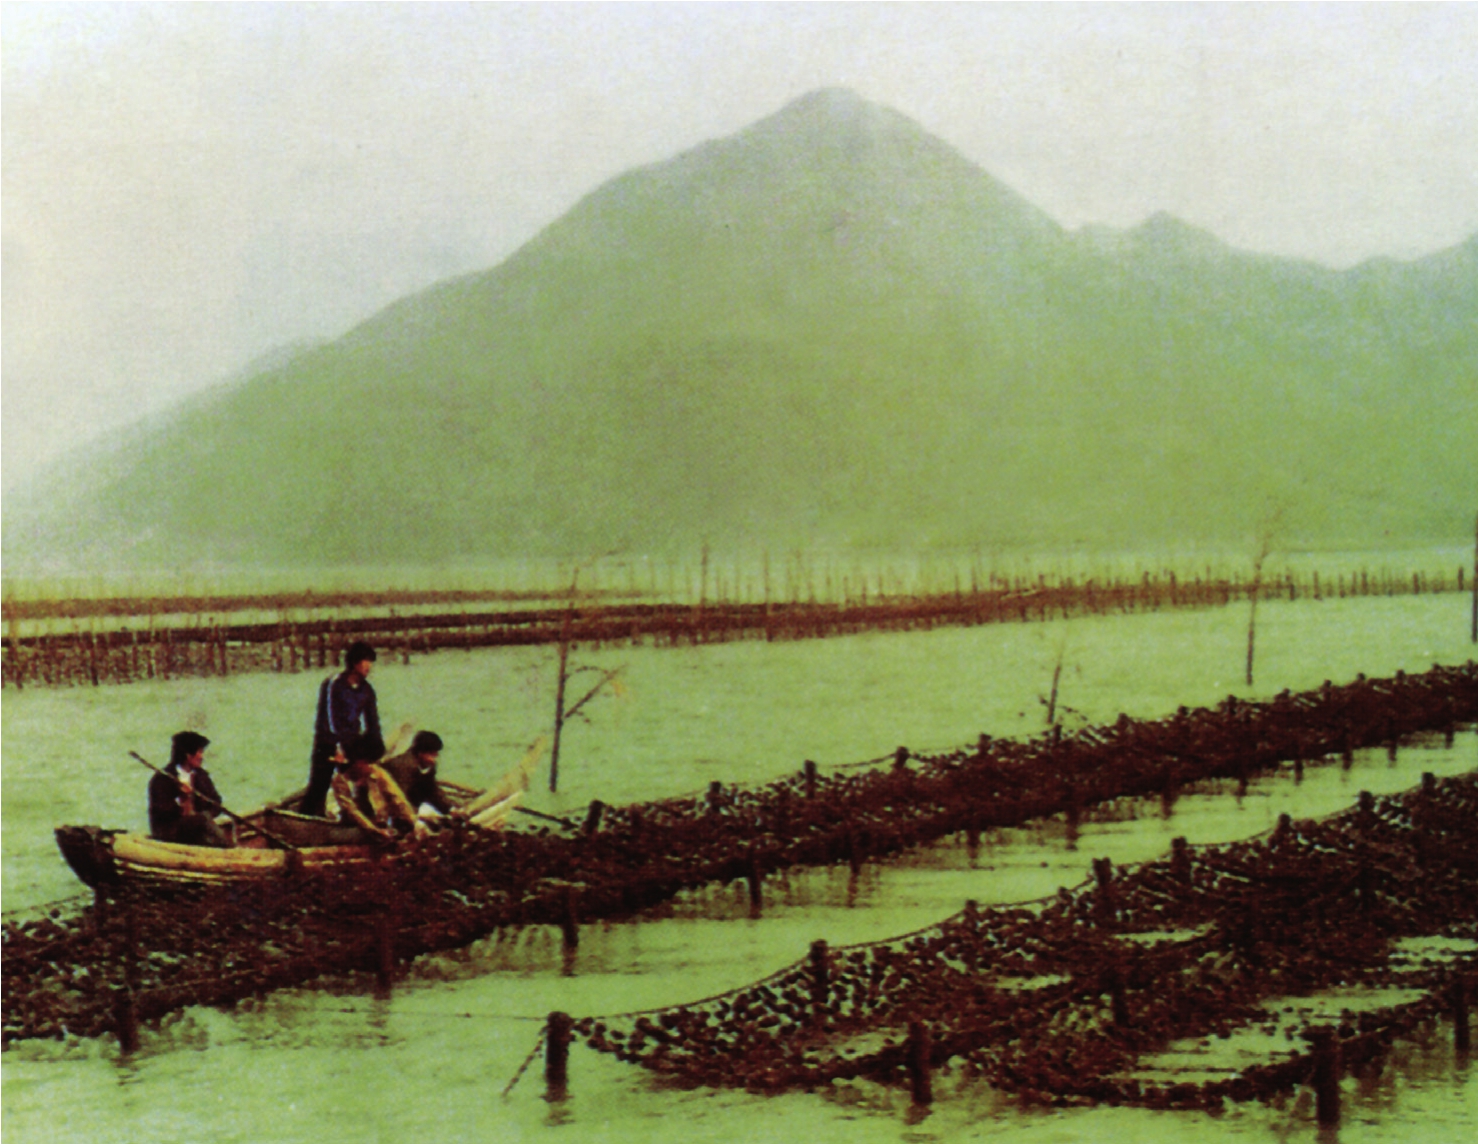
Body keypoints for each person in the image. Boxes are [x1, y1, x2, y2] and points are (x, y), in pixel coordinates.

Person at [302, 641, 382, 817]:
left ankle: (363, 815)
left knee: (361, 783)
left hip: (352, 742)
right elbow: (330, 720)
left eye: (370, 662)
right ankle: (308, 816)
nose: (369, 666)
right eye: (365, 661)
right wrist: (339, 748)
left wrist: (375, 750)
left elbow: (373, 723)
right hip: (328, 742)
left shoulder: (367, 691)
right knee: (318, 786)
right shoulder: (333, 684)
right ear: (354, 663)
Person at [331, 733, 428, 842]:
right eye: (366, 762)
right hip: (356, 826)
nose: (369, 766)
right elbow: (352, 811)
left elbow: (397, 798)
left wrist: (413, 821)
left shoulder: (377, 773)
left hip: (380, 823)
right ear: (357, 761)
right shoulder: (341, 780)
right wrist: (375, 831)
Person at [148, 731, 233, 847]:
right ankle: (227, 848)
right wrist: (182, 801)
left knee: (203, 820)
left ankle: (221, 848)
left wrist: (201, 813)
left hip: (197, 829)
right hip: (169, 833)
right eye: (200, 752)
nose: (202, 757)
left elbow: (216, 802)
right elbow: (162, 812)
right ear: (188, 755)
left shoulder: (201, 776)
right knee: (202, 820)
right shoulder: (162, 779)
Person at [381, 730, 454, 818]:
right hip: (387, 805)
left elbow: (432, 791)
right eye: (431, 754)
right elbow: (398, 797)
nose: (434, 759)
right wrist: (414, 816)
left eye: (436, 754)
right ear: (420, 753)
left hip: (410, 806)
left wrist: (450, 809)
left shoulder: (428, 766)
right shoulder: (402, 766)